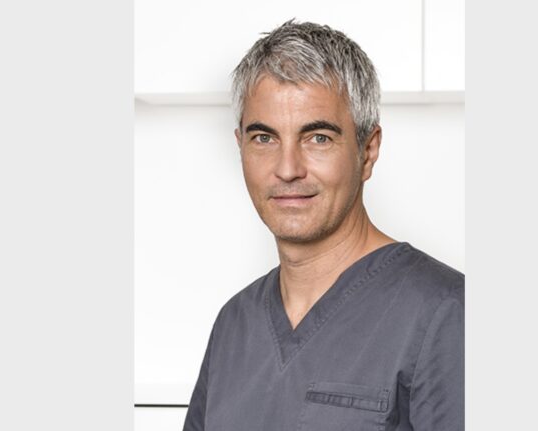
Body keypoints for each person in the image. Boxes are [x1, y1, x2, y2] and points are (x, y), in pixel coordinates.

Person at [183, 19, 463, 431]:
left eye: (318, 138)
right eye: (264, 138)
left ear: (368, 150)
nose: (287, 169)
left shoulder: (446, 314)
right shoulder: (234, 325)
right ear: (240, 146)